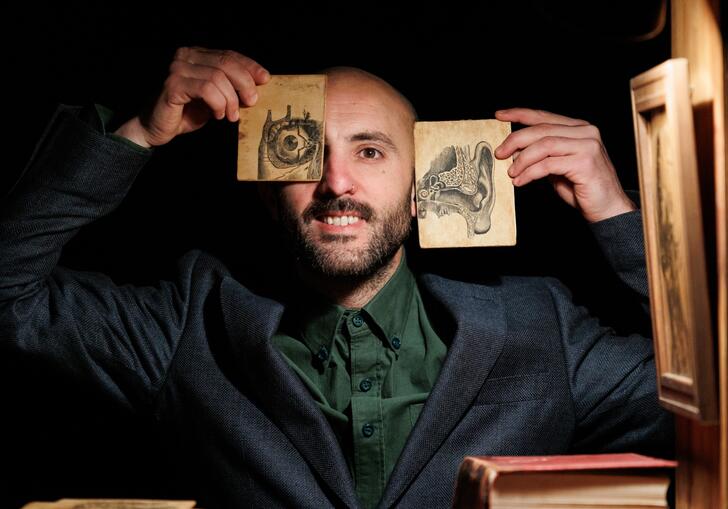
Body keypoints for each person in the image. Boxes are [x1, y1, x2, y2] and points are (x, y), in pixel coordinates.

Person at [0, 47, 672, 508]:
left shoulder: (540, 324)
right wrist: (140, 130)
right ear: (267, 189)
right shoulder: (191, 321)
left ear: (422, 189)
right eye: (302, 150)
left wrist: (618, 214)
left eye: (371, 151)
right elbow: (11, 296)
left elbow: (717, 393)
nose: (336, 183)